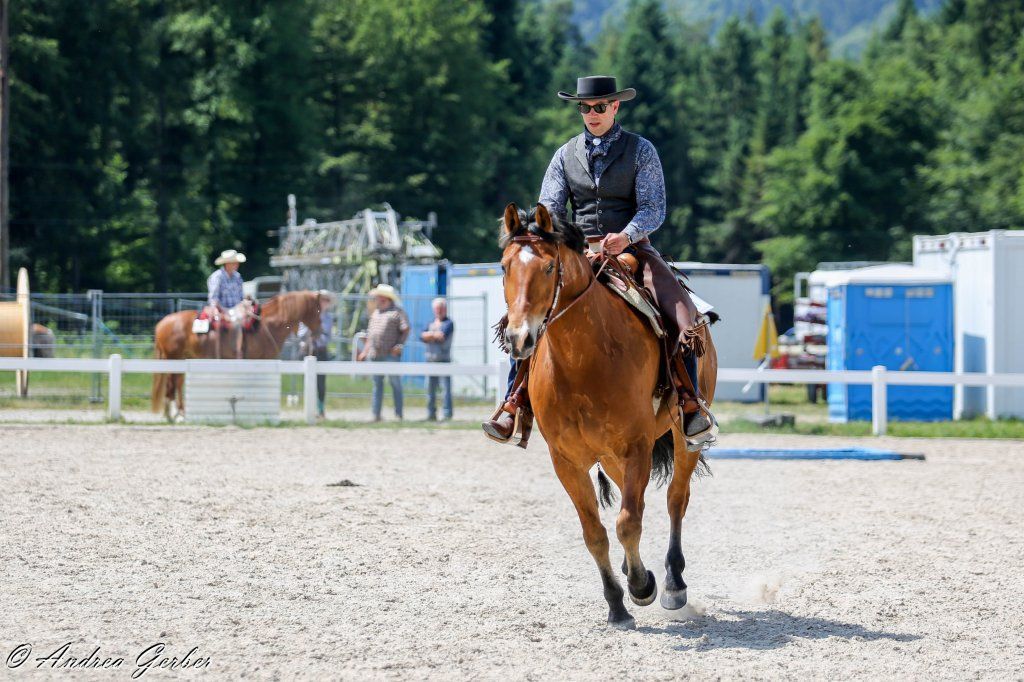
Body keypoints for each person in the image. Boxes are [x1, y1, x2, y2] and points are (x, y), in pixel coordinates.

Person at [482, 75, 716, 447]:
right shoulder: (564, 154)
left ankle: (689, 402)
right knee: (527, 313)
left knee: (681, 315)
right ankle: (515, 401)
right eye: (585, 107)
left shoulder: (641, 150)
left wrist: (626, 235)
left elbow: (653, 208)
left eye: (600, 107)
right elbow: (550, 210)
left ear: (615, 107)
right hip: (577, 255)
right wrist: (567, 245)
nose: (592, 114)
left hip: (632, 251)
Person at [357, 284, 409, 421]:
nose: (376, 299)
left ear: (385, 298)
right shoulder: (376, 313)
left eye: (379, 296)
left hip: (390, 355)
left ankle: (398, 414)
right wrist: (365, 351)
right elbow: (370, 335)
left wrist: (399, 345)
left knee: (395, 383)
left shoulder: (397, 312)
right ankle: (376, 414)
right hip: (375, 354)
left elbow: (405, 329)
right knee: (377, 384)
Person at [205, 249, 249, 358]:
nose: (237, 264)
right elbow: (214, 298)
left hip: (237, 307)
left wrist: (244, 304)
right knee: (236, 322)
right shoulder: (217, 277)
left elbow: (241, 296)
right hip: (222, 308)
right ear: (227, 264)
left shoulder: (238, 277)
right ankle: (236, 351)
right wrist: (219, 309)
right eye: (234, 262)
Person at [298, 291, 335, 420]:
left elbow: (327, 337)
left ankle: (320, 409)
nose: (324, 302)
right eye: (322, 300)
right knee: (308, 381)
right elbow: (300, 333)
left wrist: (317, 336)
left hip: (320, 350)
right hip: (307, 350)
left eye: (326, 300)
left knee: (321, 382)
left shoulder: (328, 318)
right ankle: (309, 408)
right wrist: (310, 331)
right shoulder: (306, 315)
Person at [421, 297, 454, 421]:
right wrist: (433, 335)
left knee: (446, 390)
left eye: (441, 308)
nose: (439, 311)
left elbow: (442, 336)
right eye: (437, 308)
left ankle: (447, 414)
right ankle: (431, 414)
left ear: (445, 309)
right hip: (430, 360)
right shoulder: (430, 322)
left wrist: (429, 335)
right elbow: (422, 336)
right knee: (430, 389)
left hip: (444, 360)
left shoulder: (449, 323)